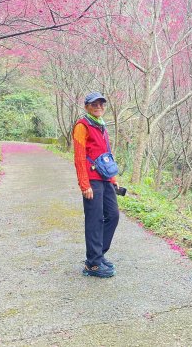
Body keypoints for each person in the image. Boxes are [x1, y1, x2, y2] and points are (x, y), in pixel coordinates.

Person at [72, 91, 120, 278]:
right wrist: (84, 184)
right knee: (94, 220)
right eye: (94, 104)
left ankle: (98, 255)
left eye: (101, 104)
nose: (98, 107)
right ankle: (92, 264)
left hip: (106, 177)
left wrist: (114, 178)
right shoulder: (82, 126)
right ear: (86, 107)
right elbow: (79, 157)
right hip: (91, 180)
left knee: (113, 215)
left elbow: (107, 155)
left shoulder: (102, 126)